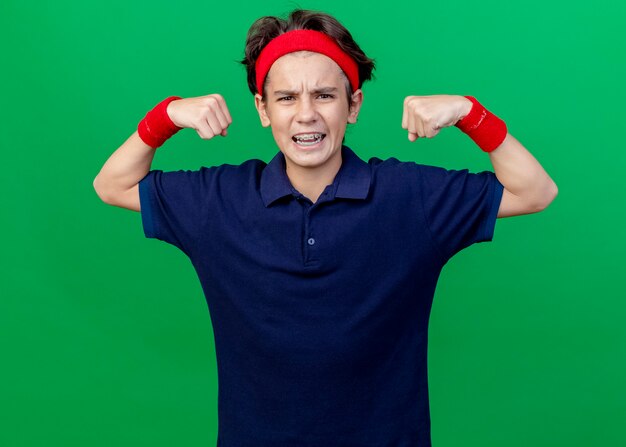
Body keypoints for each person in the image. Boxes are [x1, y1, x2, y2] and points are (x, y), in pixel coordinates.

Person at [93, 8, 557, 447]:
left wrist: (468, 113)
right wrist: (167, 116)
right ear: (262, 109)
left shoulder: (409, 195)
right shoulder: (219, 200)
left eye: (325, 95)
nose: (306, 113)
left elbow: (535, 191)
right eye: (287, 97)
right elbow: (111, 184)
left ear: (353, 106)